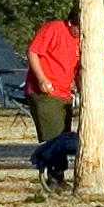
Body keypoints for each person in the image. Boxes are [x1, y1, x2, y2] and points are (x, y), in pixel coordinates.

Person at [26, 13, 80, 182]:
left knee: (64, 136)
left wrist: (80, 89)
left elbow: (78, 68)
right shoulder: (53, 28)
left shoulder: (83, 39)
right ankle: (53, 177)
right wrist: (41, 78)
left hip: (65, 93)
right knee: (55, 136)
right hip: (45, 93)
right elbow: (33, 52)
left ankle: (57, 176)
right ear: (71, 23)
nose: (79, 33)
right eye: (78, 28)